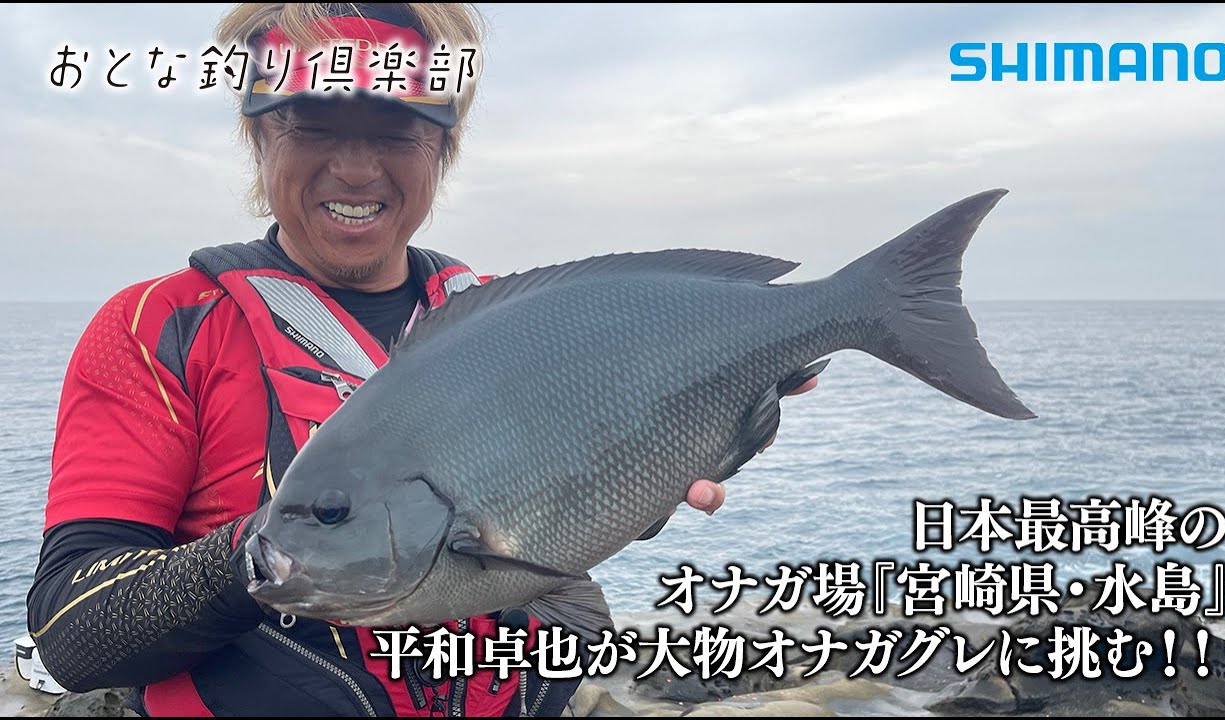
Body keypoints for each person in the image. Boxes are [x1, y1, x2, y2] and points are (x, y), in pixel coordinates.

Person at [25, 3, 817, 717]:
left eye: (397, 127)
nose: (358, 168)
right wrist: (273, 554)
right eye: (316, 124)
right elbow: (72, 633)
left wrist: (651, 474)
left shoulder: (508, 320)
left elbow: (556, 540)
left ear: (443, 143)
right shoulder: (162, 327)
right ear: (258, 131)